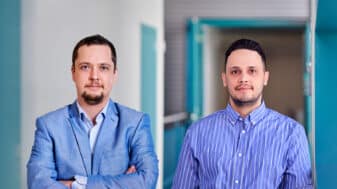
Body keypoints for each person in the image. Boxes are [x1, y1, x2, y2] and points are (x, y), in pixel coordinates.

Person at [172, 39, 312, 188]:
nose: (243, 78)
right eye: (235, 71)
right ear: (225, 79)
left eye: (252, 71)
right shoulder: (197, 132)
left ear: (265, 78)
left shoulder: (292, 134)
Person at [27, 34, 158, 189]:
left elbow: (147, 180)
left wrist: (79, 184)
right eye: (85, 67)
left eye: (103, 68)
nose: (94, 76)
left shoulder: (136, 123)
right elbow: (38, 184)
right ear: (73, 73)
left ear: (114, 74)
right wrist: (123, 182)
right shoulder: (48, 126)